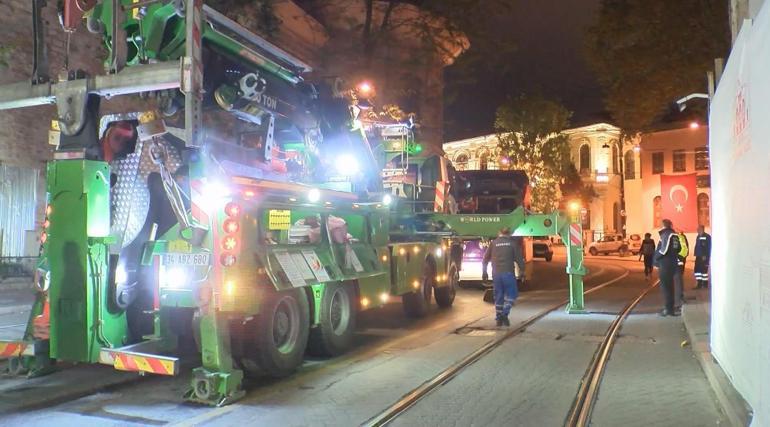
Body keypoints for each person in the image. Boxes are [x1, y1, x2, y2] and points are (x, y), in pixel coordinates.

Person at [482, 227, 524, 327]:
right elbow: (519, 259)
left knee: (498, 296)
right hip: (508, 273)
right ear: (509, 234)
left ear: (499, 233)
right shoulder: (513, 244)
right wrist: (522, 271)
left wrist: (484, 272)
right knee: (512, 294)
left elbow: (485, 259)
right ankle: (504, 314)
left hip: (496, 274)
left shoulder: (493, 243)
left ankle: (498, 318)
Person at [654, 219, 681, 317]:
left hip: (665, 264)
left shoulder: (666, 234)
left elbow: (663, 250)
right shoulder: (674, 235)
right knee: (670, 287)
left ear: (663, 225)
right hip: (672, 263)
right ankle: (670, 309)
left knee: (666, 288)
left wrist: (656, 257)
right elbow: (679, 248)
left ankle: (668, 310)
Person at [673, 230, 689, 310]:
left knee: (677, 281)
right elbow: (685, 250)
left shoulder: (675, 238)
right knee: (679, 280)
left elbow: (673, 251)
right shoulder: (682, 237)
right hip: (681, 261)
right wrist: (682, 259)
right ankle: (680, 298)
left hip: (676, 262)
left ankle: (678, 303)